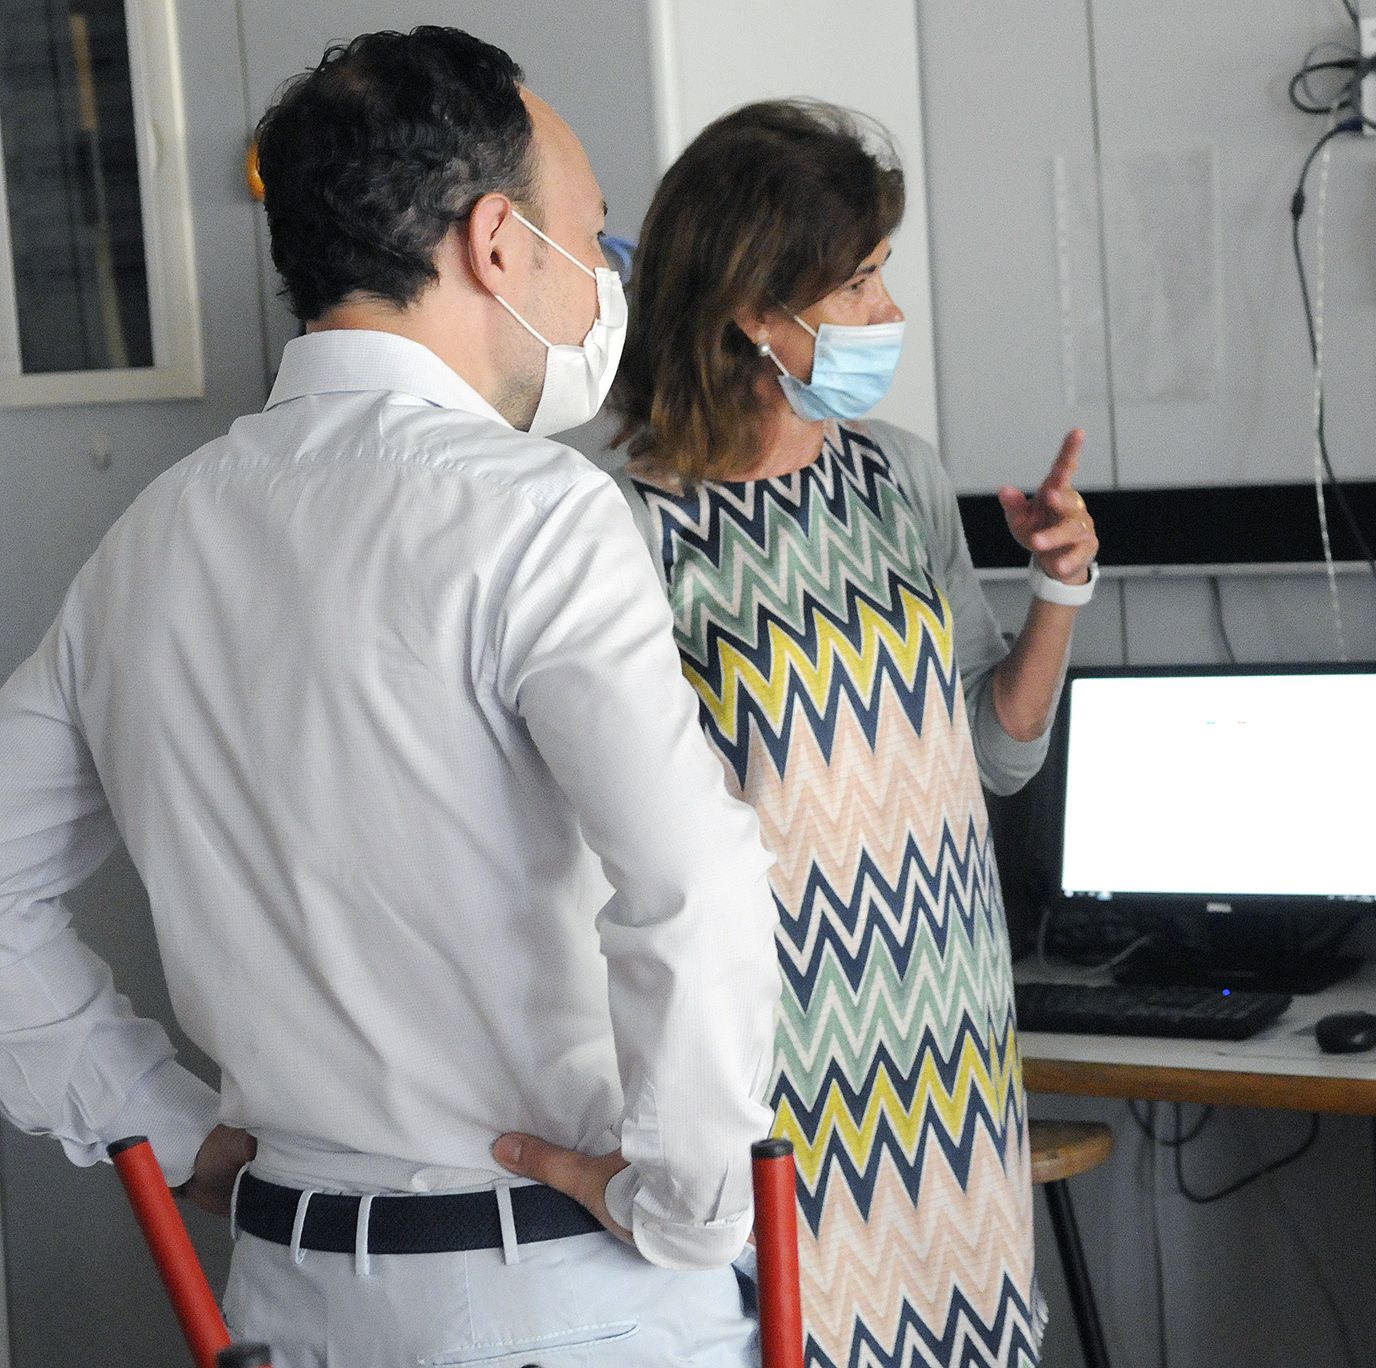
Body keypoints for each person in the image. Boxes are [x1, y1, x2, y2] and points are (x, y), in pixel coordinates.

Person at [0, 27, 781, 1366]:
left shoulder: (149, 540)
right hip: (564, 1303)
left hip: (287, 1304)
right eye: (591, 237)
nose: (603, 282)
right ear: (497, 244)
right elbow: (691, 881)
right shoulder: (534, 513)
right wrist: (691, 1203)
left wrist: (167, 1126)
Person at [501, 99, 1095, 1368]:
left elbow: (995, 756)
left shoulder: (899, 479)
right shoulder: (617, 525)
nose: (889, 311)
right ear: (752, 312)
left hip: (947, 1034)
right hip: (771, 1058)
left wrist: (1059, 591)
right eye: (860, 281)